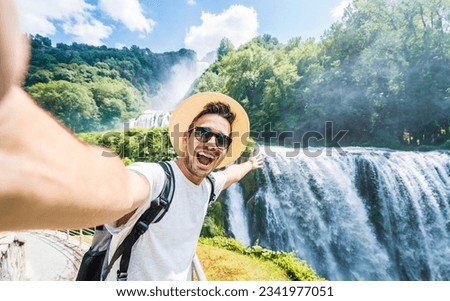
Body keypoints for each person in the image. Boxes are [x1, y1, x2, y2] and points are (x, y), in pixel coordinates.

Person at [103, 92, 262, 280]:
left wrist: (250, 164)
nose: (211, 144)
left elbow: (230, 175)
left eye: (221, 140)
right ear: (186, 139)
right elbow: (120, 193)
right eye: (203, 133)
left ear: (225, 150)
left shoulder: (208, 187)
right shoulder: (157, 179)